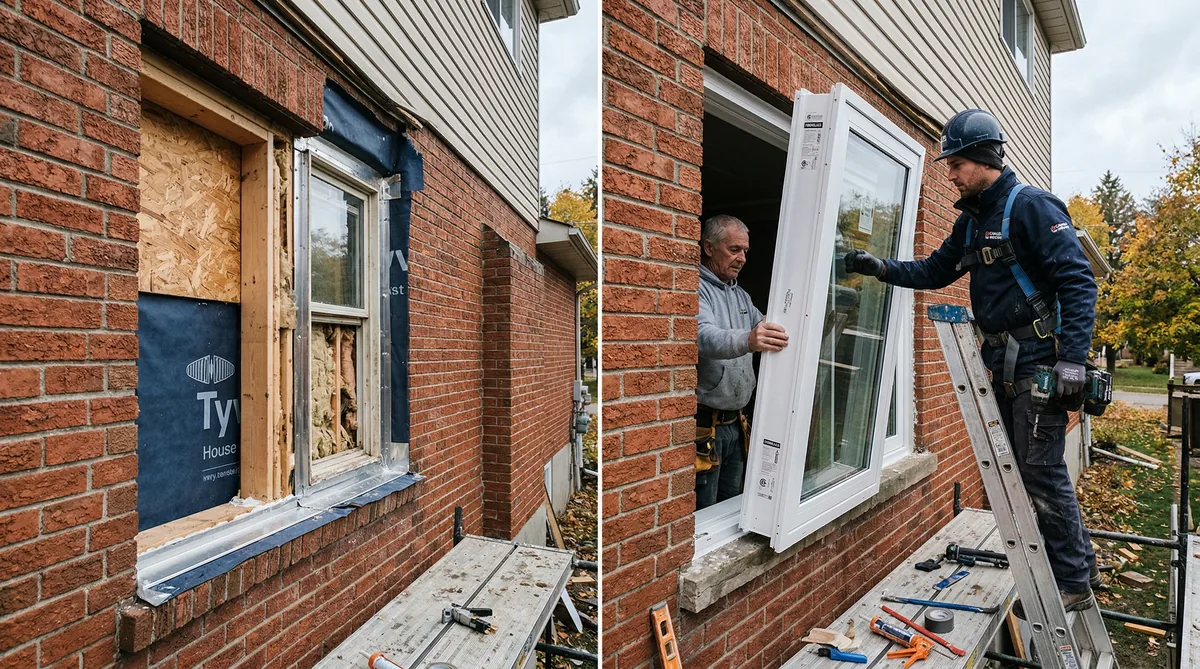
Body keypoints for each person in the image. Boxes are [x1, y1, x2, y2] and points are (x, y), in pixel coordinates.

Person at [843, 109, 1100, 615]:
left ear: (984, 158)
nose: (951, 173)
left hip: (1040, 366)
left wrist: (1073, 363)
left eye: (957, 163)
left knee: (1040, 470)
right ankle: (1080, 563)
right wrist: (881, 268)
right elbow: (936, 270)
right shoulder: (972, 221)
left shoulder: (1030, 206)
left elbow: (1078, 282)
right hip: (1002, 364)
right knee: (1028, 470)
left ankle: (1071, 581)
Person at [695, 215, 788, 510]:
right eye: (734, 249)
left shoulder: (742, 296)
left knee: (731, 507)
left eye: (745, 251)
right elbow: (703, 336)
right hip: (705, 428)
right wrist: (749, 340)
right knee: (706, 511)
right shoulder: (695, 288)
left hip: (737, 422)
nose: (742, 258)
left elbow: (768, 328)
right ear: (709, 247)